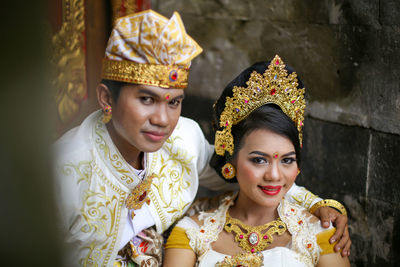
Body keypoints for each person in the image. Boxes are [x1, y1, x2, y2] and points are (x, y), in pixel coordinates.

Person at [53, 9, 349, 267]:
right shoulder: (62, 169)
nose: (163, 119)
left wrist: (321, 206)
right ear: (107, 97)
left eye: (173, 102)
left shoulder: (184, 138)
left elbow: (243, 171)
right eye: (146, 99)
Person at [164, 55, 351, 267]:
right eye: (259, 160)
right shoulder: (191, 233)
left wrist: (317, 204)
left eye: (287, 160)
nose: (274, 174)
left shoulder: (321, 234)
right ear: (231, 161)